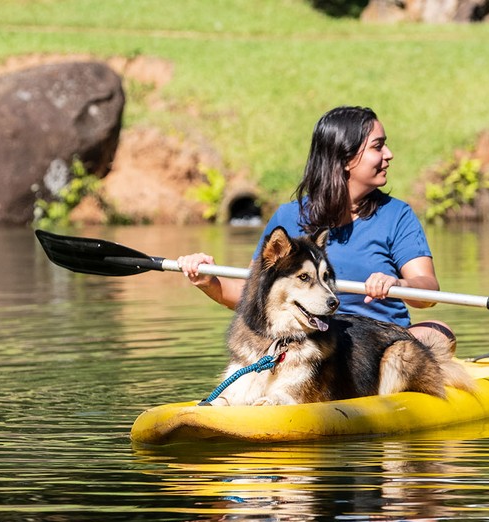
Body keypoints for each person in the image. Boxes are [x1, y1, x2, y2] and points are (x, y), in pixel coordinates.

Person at [177, 105, 455, 351]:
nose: (389, 154)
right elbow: (253, 294)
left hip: (380, 344)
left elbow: (427, 290)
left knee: (439, 334)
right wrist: (208, 282)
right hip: (311, 341)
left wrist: (397, 283)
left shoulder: (397, 215)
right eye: (378, 146)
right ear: (346, 158)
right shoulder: (287, 219)